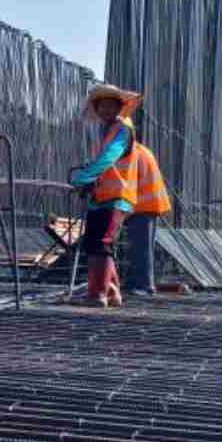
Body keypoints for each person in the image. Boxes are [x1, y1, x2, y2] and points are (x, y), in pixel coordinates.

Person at [68, 84, 171, 304]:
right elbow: (106, 164)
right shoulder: (107, 132)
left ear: (120, 107)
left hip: (136, 200)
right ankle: (113, 290)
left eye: (110, 105)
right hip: (110, 196)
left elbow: (109, 159)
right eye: (101, 105)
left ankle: (120, 289)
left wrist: (85, 177)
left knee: (121, 244)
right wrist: (92, 180)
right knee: (99, 242)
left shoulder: (122, 132)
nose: (104, 110)